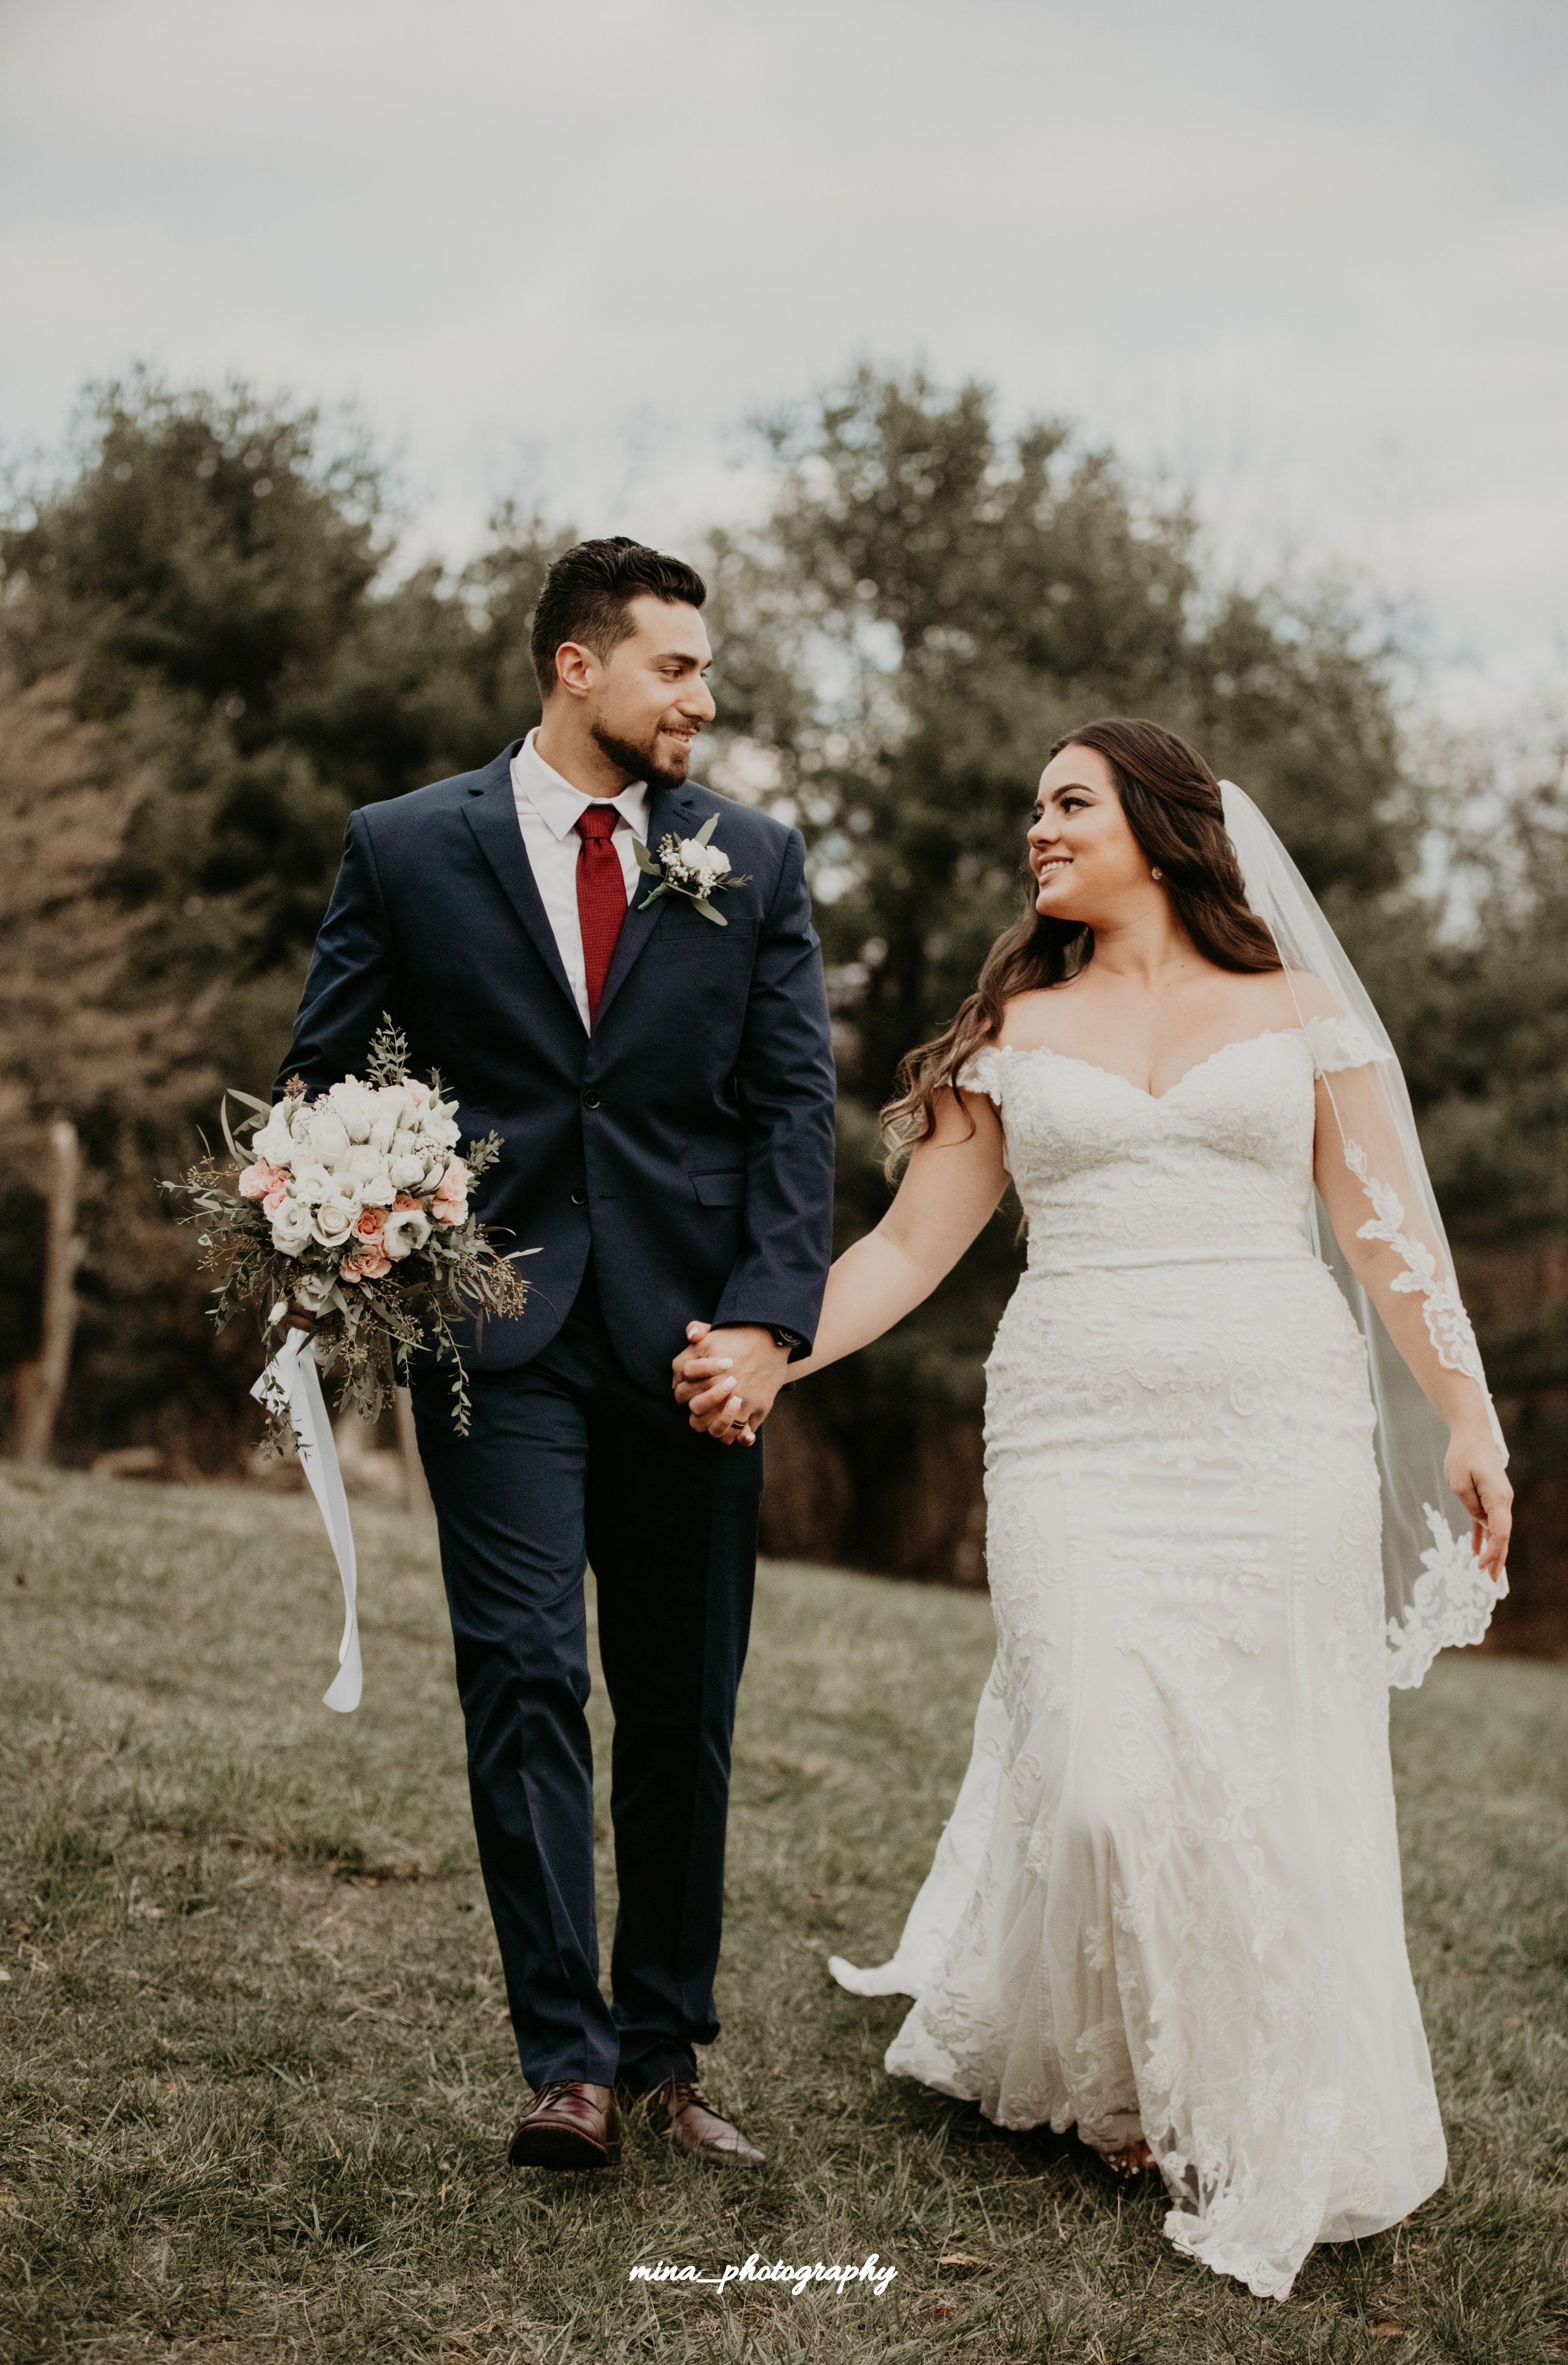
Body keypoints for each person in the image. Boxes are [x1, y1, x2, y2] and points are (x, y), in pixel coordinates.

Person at [674, 717, 1511, 2296]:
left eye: (1069, 803)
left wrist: (1466, 1419)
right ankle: (1121, 2055)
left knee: (1258, 1760)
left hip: (1276, 1425)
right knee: (1100, 1774)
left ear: (1162, 824)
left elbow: (1389, 1238)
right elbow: (912, 1249)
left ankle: (1185, 2087)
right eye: (1033, 808)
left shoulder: (1297, 1010)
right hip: (1073, 1429)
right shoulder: (1011, 1025)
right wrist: (779, 1347)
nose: (1037, 831)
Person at [281, 538, 835, 2171]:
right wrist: (342, 1231)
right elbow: (326, 1076)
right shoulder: (404, 847)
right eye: (675, 666)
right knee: (521, 1671)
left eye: (704, 669)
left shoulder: (755, 861)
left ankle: (666, 2049)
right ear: (574, 667)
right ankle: (566, 2063)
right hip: (495, 1331)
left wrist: (765, 1319)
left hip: (691, 1343)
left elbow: (792, 1113)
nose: (703, 699)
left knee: (683, 1696)